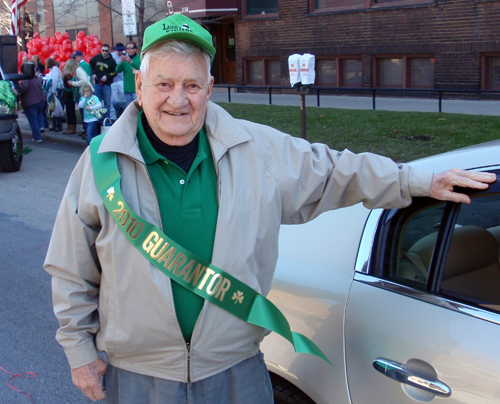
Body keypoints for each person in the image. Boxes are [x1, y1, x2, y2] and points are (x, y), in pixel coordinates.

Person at [43, 14, 496, 404]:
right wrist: (80, 353)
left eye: (192, 85)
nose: (177, 100)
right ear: (139, 86)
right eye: (163, 84)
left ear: (210, 88)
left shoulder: (258, 149)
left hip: (236, 371)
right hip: (138, 377)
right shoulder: (100, 163)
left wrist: (416, 180)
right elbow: (71, 267)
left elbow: (338, 171)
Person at [64, 58, 93, 136]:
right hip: (83, 93)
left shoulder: (78, 70)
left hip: (85, 93)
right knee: (83, 113)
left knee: (85, 113)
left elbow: (84, 81)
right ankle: (86, 130)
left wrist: (73, 83)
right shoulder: (78, 70)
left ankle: (88, 132)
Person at [89, 44, 116, 123]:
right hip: (97, 83)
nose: (104, 52)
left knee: (107, 103)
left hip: (106, 84)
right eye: (103, 50)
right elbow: (90, 65)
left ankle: (106, 120)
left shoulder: (111, 61)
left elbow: (115, 72)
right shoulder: (96, 58)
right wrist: (93, 73)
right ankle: (98, 119)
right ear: (101, 50)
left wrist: (107, 76)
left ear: (109, 51)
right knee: (97, 102)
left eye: (106, 51)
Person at [18, 67, 46, 142]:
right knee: (39, 116)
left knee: (33, 121)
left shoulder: (26, 78)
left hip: (31, 102)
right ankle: (41, 128)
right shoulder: (36, 77)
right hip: (40, 100)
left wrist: (16, 88)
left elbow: (24, 88)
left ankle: (37, 137)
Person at [115, 41, 141, 108]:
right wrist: (122, 62)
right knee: (129, 109)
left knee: (138, 107)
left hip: (137, 88)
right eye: (127, 48)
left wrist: (131, 62)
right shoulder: (125, 59)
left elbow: (142, 69)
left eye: (131, 48)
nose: (129, 49)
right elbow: (117, 70)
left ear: (135, 49)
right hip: (127, 89)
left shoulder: (139, 58)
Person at [44, 58, 63, 132]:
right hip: (51, 90)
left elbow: (55, 80)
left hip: (55, 90)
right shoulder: (52, 69)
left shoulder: (55, 69)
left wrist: (53, 90)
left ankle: (58, 125)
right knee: (52, 107)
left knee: (56, 107)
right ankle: (54, 124)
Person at [110, 43, 125, 122]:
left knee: (123, 99)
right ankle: (113, 117)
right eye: (118, 51)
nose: (120, 52)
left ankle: (123, 115)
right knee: (113, 99)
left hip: (122, 80)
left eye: (121, 51)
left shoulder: (125, 55)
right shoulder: (112, 56)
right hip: (113, 81)